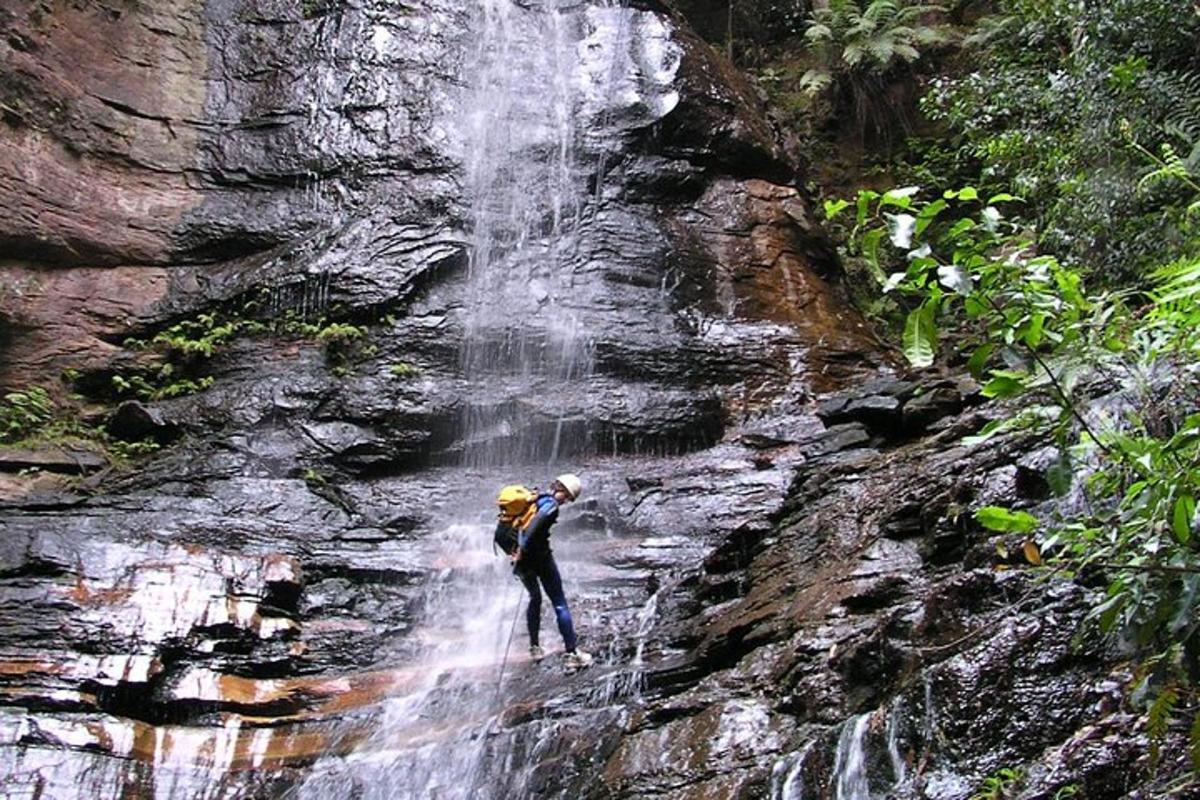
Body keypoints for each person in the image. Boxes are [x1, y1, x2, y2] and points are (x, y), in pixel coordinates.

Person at [494, 473, 593, 669]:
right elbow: (534, 526)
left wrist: (513, 553)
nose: (566, 501)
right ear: (563, 491)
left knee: (535, 598)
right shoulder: (550, 506)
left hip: (521, 562)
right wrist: (522, 549)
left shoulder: (534, 498)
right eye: (568, 497)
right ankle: (572, 653)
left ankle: (534, 647)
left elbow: (502, 532)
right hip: (539, 558)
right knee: (559, 603)